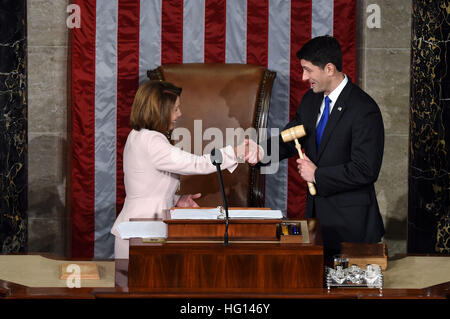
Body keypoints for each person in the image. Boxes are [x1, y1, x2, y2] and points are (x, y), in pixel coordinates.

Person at [258, 35, 385, 258]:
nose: (304, 77)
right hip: (319, 224)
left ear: (329, 68)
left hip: (352, 228)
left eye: (308, 70)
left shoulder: (364, 109)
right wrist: (259, 152)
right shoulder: (311, 99)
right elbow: (292, 137)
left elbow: (365, 170)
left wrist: (318, 175)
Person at [111, 81, 258, 259]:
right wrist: (235, 152)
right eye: (175, 109)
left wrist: (175, 199)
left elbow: (148, 186)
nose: (179, 114)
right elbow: (197, 164)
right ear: (160, 110)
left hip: (140, 229)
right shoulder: (152, 140)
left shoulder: (138, 135)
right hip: (142, 232)